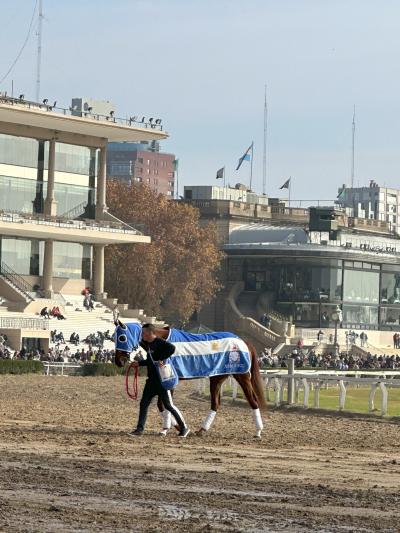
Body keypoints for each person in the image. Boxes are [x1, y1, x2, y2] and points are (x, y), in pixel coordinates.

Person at [128, 323, 190, 438]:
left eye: (144, 333)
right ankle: (139, 430)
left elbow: (172, 348)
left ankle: (184, 428)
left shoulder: (160, 342)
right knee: (144, 404)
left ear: (150, 333)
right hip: (151, 381)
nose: (142, 335)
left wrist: (162, 358)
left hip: (162, 381)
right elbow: (151, 361)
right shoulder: (148, 344)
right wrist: (139, 364)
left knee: (169, 405)